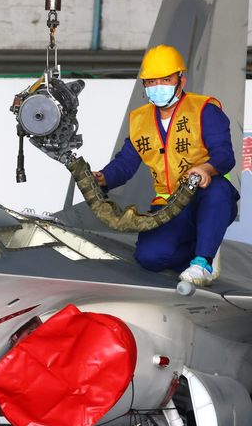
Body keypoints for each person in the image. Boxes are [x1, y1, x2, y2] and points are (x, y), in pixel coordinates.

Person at [93, 44, 239, 286]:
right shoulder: (140, 120)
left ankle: (203, 260)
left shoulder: (205, 110)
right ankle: (205, 245)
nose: (157, 86)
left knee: (217, 189)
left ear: (181, 80)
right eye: (151, 82)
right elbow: (126, 163)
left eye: (165, 79)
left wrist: (206, 169)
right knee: (150, 258)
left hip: (206, 197)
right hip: (168, 205)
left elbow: (225, 155)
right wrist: (103, 178)